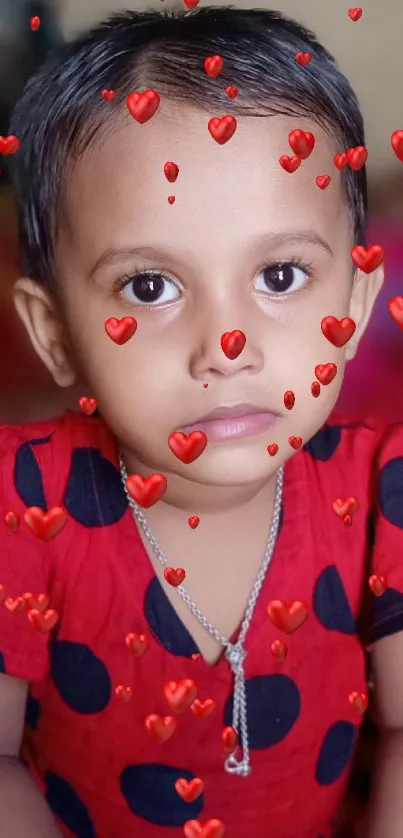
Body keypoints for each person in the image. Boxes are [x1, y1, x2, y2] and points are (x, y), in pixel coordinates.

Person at [0, 7, 402, 838]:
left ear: (356, 308)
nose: (227, 348)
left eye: (281, 274)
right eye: (150, 288)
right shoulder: (19, 502)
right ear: (55, 335)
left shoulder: (382, 489)